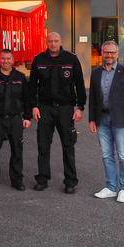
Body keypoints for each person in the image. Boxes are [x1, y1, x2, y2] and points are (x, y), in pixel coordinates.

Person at [29, 32, 86, 193]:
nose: (53, 43)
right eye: (50, 41)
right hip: (45, 109)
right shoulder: (39, 60)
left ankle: (70, 182)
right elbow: (32, 85)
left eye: (56, 41)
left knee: (68, 146)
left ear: (61, 41)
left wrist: (80, 107)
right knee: (43, 146)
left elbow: (79, 84)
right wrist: (33, 106)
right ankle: (42, 179)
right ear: (46, 42)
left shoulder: (71, 59)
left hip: (66, 109)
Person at [88, 40, 124, 203]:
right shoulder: (96, 73)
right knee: (106, 155)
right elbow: (93, 99)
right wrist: (92, 119)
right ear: (102, 53)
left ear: (117, 54)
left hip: (121, 120)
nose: (109, 55)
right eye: (106, 52)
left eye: (112, 52)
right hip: (102, 119)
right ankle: (111, 188)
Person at [0, 49, 32, 191]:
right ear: (0, 59)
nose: (5, 61)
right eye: (3, 59)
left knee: (17, 150)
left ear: (12, 60)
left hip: (15, 119)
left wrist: (27, 117)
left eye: (8, 58)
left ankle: (16, 180)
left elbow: (26, 99)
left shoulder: (20, 77)